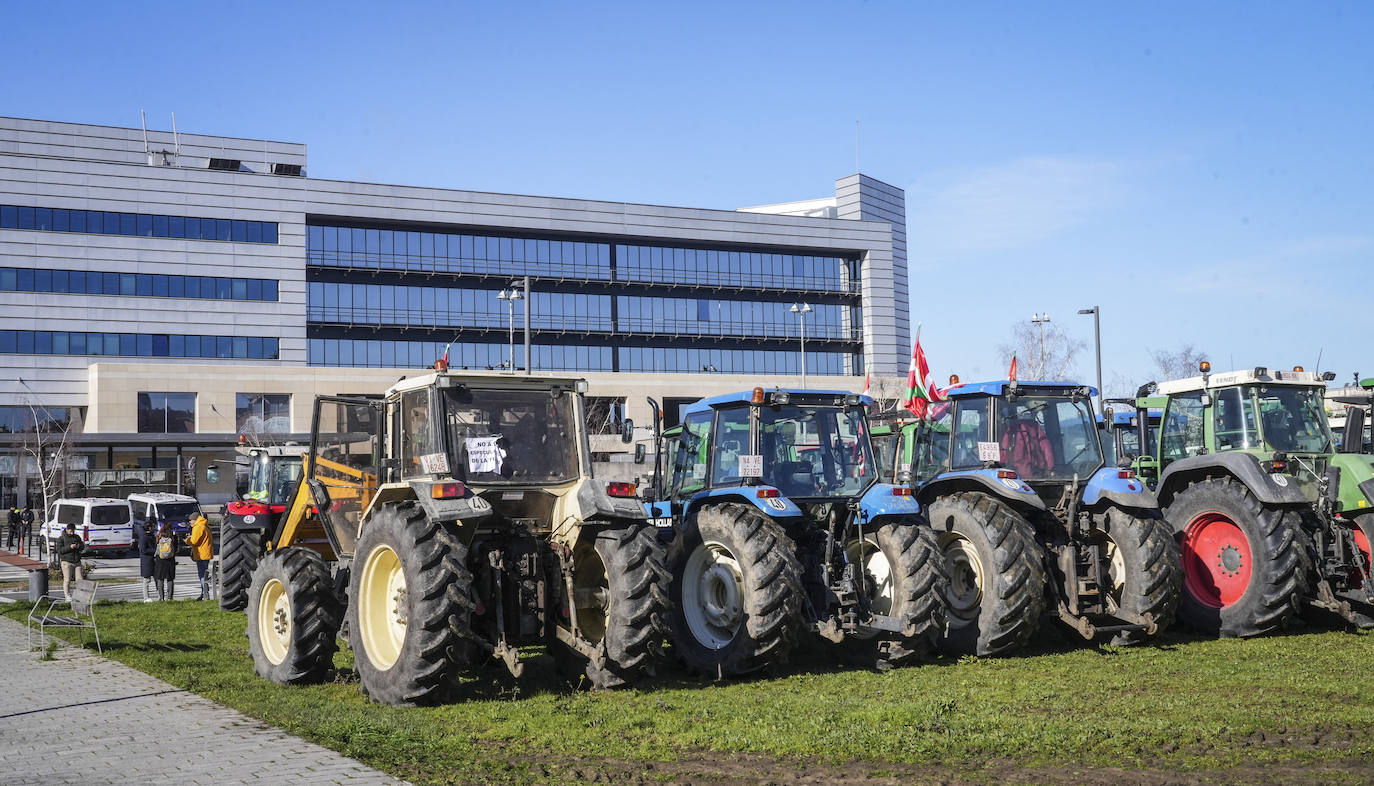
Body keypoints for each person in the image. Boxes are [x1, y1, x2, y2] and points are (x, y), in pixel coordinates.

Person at [186, 514, 213, 601]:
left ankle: (205, 594)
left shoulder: (198, 527)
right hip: (205, 553)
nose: (190, 522)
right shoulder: (204, 525)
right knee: (204, 574)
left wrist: (187, 540)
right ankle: (204, 593)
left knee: (202, 575)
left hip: (201, 554)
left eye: (191, 520)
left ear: (195, 519)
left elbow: (194, 541)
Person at [56, 522, 85, 602]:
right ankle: (67, 596)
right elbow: (59, 550)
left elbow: (82, 546)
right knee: (67, 579)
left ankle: (80, 596)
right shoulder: (61, 539)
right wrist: (70, 547)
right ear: (67, 529)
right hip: (66, 562)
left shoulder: (77, 537)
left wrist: (79, 546)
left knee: (80, 580)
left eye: (73, 531)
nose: (72, 532)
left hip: (77, 561)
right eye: (71, 531)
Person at [152, 521, 180, 601]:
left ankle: (161, 597)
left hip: (160, 560)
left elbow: (155, 548)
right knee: (170, 579)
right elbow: (176, 549)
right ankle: (170, 597)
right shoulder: (173, 537)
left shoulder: (158, 537)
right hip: (170, 560)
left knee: (160, 579)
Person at [136, 517, 158, 602]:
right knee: (146, 580)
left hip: (153, 560)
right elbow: (143, 550)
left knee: (157, 578)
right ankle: (146, 597)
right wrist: (155, 551)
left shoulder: (152, 536)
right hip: (147, 561)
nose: (153, 528)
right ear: (149, 528)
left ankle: (160, 595)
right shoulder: (143, 537)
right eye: (152, 526)